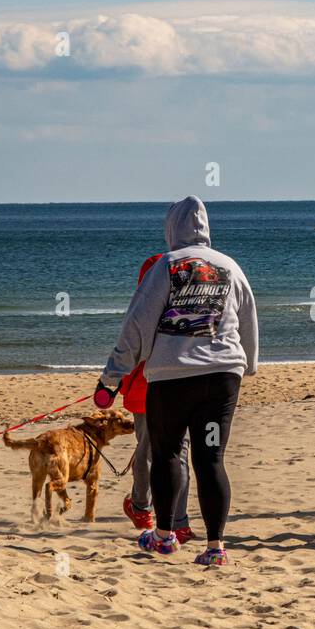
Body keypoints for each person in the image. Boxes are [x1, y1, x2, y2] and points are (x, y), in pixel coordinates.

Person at [95, 196, 258, 566]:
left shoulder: (166, 265)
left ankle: (165, 537)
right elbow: (247, 318)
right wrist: (247, 364)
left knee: (167, 452)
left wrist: (111, 380)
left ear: (171, 229)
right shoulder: (230, 266)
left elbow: (136, 327)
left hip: (172, 378)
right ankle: (216, 548)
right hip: (221, 380)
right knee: (211, 458)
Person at [120, 252, 194, 545]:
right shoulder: (188, 304)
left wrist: (116, 382)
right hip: (182, 385)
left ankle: (142, 508)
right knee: (178, 453)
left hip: (149, 388)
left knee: (151, 452)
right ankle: (177, 520)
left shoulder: (145, 304)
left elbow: (131, 348)